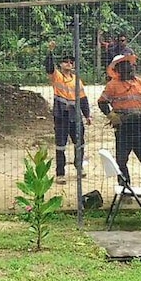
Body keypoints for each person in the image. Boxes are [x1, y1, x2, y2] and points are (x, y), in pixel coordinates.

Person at [97, 53, 141, 200]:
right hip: (123, 128)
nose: (129, 67)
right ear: (118, 68)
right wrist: (111, 116)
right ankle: (125, 193)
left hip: (140, 126)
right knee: (121, 162)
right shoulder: (112, 85)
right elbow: (102, 102)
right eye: (125, 64)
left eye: (130, 64)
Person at [45, 41, 93, 184]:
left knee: (80, 142)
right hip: (61, 116)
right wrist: (50, 52)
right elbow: (48, 67)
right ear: (60, 65)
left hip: (75, 116)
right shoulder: (56, 76)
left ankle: (79, 167)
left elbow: (83, 99)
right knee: (61, 145)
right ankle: (60, 174)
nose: (68, 64)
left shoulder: (77, 81)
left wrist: (87, 115)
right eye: (65, 61)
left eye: (71, 62)